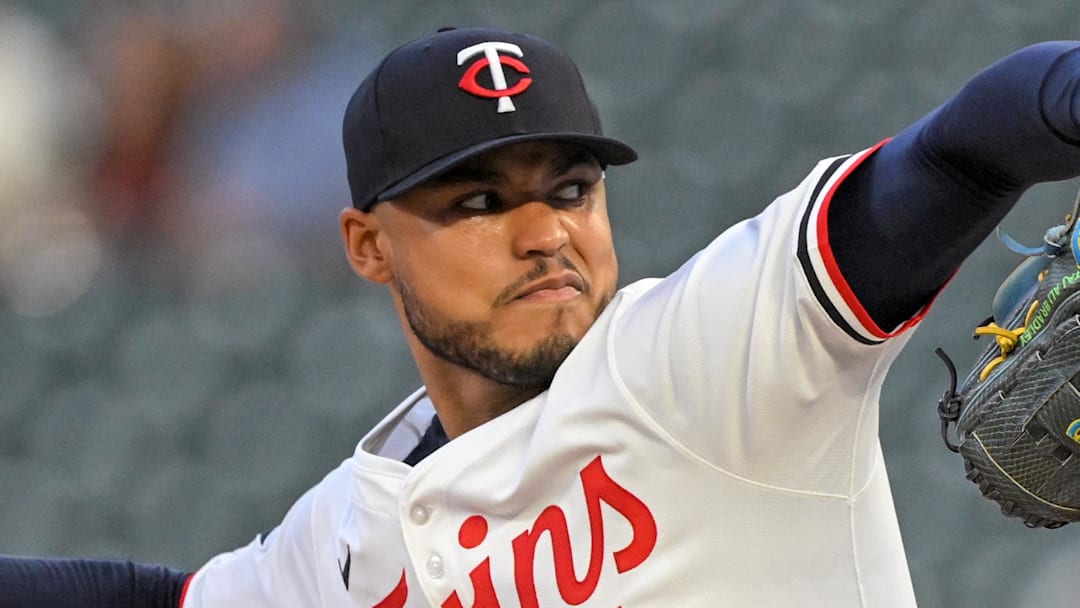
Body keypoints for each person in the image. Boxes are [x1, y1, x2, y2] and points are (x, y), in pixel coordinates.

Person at [4, 25, 1080, 607]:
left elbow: (963, 146)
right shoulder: (342, 532)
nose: (544, 232)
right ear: (368, 244)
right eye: (477, 201)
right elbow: (160, 598)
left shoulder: (709, 351)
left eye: (569, 187)